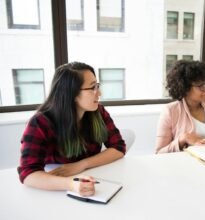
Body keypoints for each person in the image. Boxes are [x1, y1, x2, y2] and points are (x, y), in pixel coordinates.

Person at [17, 62, 126, 196]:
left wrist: (81, 165)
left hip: (95, 179)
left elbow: (119, 147)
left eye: (97, 86)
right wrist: (71, 184)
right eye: (92, 88)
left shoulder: (98, 111)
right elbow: (28, 174)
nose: (99, 93)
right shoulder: (41, 122)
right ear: (72, 94)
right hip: (56, 189)